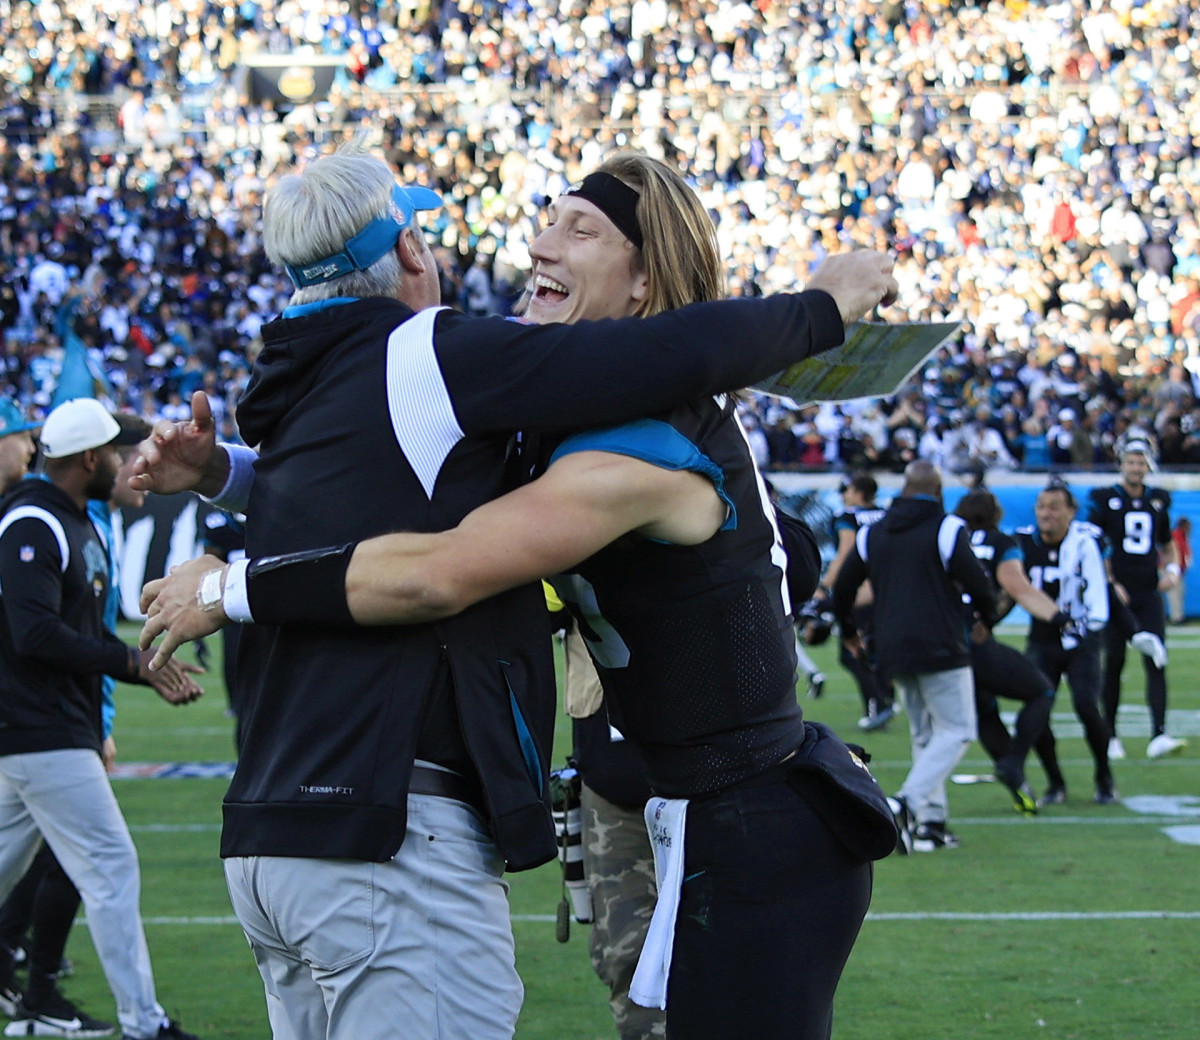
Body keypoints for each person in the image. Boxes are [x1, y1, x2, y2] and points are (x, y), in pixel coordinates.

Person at [131, 147, 898, 1040]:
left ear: (644, 283)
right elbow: (388, 491)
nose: (538, 245)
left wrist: (231, 587)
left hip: (755, 815)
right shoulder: (551, 423)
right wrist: (230, 474)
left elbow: (436, 567)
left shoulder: (637, 441)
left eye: (579, 228)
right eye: (548, 218)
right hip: (679, 808)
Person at [0, 398, 202, 1040]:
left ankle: (43, 1007)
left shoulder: (70, 519)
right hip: (39, 732)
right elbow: (33, 635)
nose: (120, 461)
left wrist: (122, 686)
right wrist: (132, 664)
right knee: (112, 865)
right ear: (89, 459)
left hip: (49, 732)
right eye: (114, 451)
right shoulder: (33, 522)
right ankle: (144, 1023)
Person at [831, 460, 996, 852]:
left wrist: (850, 631)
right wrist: (985, 618)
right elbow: (979, 583)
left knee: (926, 734)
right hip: (941, 644)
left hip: (892, 646)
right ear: (938, 490)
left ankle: (931, 825)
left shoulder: (874, 531)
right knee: (957, 730)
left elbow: (843, 588)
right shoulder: (948, 528)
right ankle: (904, 803)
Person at [952, 489, 1073, 815]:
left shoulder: (946, 537)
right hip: (974, 643)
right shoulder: (1000, 543)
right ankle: (1015, 761)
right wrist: (1057, 615)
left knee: (984, 709)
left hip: (942, 644)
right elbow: (1018, 588)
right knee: (1041, 691)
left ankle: (1018, 782)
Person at [1015, 482, 1117, 805]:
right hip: (1043, 639)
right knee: (1037, 710)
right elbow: (1011, 587)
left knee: (1087, 705)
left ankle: (1104, 774)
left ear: (1071, 512)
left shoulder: (1085, 544)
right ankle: (1055, 782)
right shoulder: (1023, 543)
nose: (1047, 513)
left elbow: (1104, 586)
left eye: (1054, 507)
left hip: (1082, 637)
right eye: (1042, 506)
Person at [1085, 440, 1187, 760]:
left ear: (1148, 466)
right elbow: (1095, 547)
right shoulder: (1106, 499)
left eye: (1141, 463)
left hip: (1147, 591)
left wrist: (1171, 570)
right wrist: (1110, 582)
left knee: (1157, 660)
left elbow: (1167, 544)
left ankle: (1159, 734)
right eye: (1131, 462)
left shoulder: (1158, 500)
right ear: (1122, 464)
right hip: (1118, 593)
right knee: (1113, 662)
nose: (1136, 468)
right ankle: (1110, 735)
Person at [814, 473, 894, 731]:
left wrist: (825, 585)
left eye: (847, 489)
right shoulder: (885, 514)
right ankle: (886, 700)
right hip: (887, 591)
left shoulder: (847, 517)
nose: (843, 494)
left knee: (852, 654)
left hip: (860, 591)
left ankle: (878, 705)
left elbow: (846, 551)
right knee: (877, 649)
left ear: (859, 492)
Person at [1167, 516, 1192, 624]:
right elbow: (1174, 552)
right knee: (1174, 593)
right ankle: (1175, 617)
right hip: (1173, 569)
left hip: (1180, 570)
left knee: (1180, 592)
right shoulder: (1176, 535)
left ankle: (1179, 615)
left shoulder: (1183, 536)